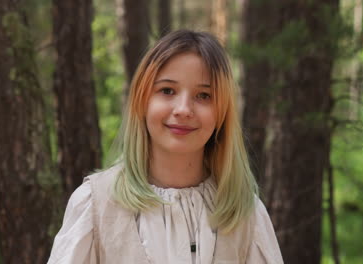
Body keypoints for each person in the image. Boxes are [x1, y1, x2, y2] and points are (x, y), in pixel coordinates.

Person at [47, 30, 283, 264]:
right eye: (167, 90)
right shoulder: (95, 206)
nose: (183, 109)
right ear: (143, 100)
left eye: (203, 95)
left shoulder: (246, 214)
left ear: (222, 112)